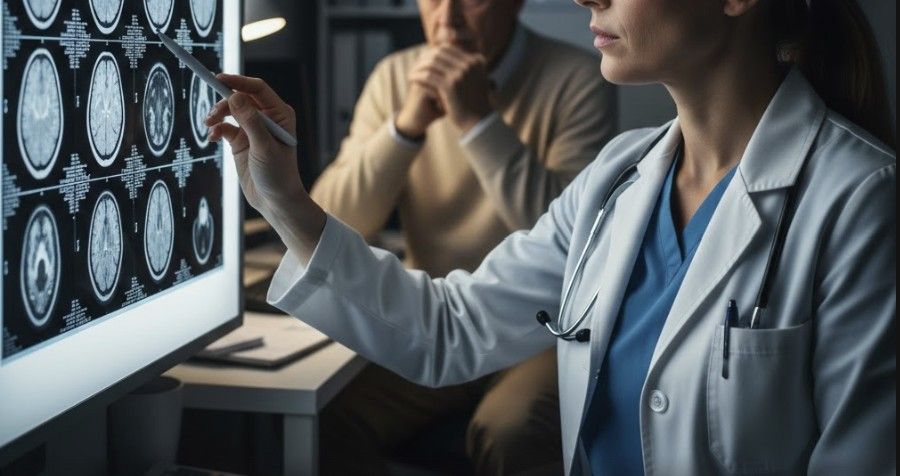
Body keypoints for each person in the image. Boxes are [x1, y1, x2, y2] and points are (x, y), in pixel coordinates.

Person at [206, 0, 896, 473]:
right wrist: (283, 199)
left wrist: (476, 122)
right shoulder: (618, 177)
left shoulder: (860, 199)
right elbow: (451, 329)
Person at [309, 0, 616, 472]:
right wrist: (406, 128)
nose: (446, 19)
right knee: (323, 414)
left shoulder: (577, 77)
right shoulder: (395, 77)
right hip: (434, 319)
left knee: (511, 431)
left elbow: (576, 243)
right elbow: (328, 224)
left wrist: (478, 121)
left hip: (540, 332)